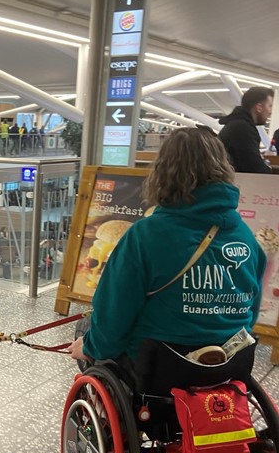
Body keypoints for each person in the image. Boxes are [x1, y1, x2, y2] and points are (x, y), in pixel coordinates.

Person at [70, 128, 265, 366]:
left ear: (162, 173)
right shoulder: (245, 235)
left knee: (85, 327)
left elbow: (114, 313)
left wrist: (91, 346)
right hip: (230, 360)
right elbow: (251, 311)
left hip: (159, 363)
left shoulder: (145, 235)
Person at [218, 86, 274, 174]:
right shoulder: (242, 129)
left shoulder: (237, 124)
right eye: (270, 106)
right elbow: (254, 167)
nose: (270, 111)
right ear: (259, 107)